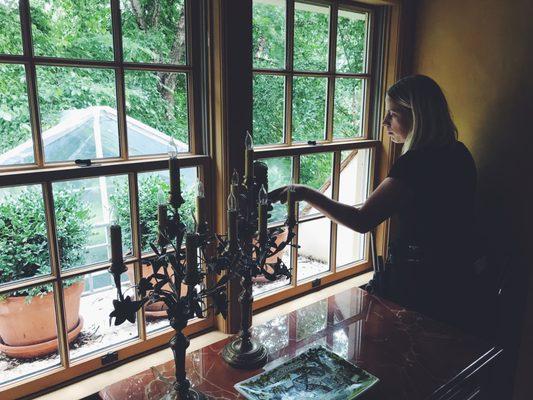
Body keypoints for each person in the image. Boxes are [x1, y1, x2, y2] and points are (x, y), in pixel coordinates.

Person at [269, 75, 478, 331]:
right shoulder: (459, 153)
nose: (384, 122)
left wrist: (305, 192)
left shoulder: (414, 165)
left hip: (420, 285)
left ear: (418, 115)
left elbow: (362, 220)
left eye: (392, 114)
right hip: (457, 278)